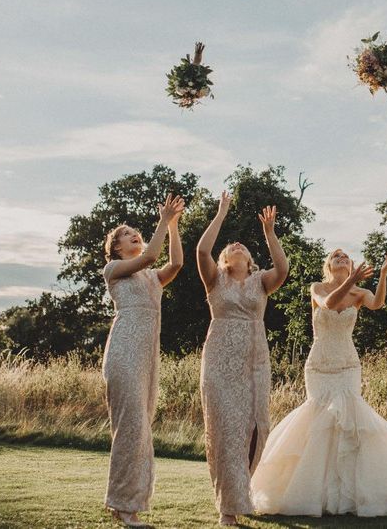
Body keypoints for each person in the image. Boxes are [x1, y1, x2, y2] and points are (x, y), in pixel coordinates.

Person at [251, 247, 387, 517]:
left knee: (350, 420)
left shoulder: (359, 294)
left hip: (348, 365)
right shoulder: (318, 287)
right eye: (336, 256)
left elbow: (378, 303)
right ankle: (316, 493)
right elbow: (329, 304)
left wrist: (383, 274)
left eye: (345, 256)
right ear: (329, 265)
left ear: (350, 265)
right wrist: (352, 280)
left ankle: (350, 494)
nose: (341, 257)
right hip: (320, 364)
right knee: (318, 420)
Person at [197, 192, 289, 526]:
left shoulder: (261, 281)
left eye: (244, 248)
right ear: (224, 260)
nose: (237, 246)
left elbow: (283, 268)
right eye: (232, 247)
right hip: (219, 358)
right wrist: (221, 213)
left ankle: (242, 489)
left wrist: (269, 233)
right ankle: (228, 507)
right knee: (224, 429)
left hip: (255, 360)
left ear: (250, 261)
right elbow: (202, 250)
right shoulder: (214, 279)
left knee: (254, 427)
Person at [102, 194, 185, 527]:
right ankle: (125, 507)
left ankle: (121, 500)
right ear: (116, 248)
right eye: (127, 233)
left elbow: (175, 264)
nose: (134, 234)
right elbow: (152, 254)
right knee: (132, 427)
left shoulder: (151, 278)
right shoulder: (115, 270)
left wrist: (174, 226)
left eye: (136, 230)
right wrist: (163, 220)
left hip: (147, 356)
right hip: (124, 351)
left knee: (139, 429)